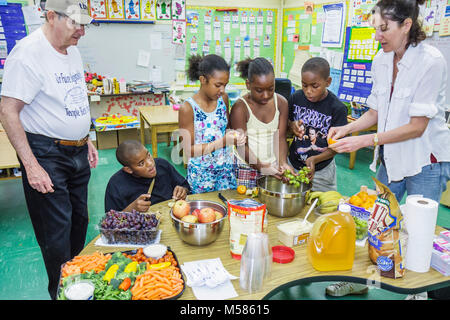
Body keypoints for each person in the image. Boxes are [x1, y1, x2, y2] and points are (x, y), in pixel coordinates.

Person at [327, 0, 450, 300]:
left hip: (426, 163)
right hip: (392, 157)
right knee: (377, 225)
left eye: (384, 28)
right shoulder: (381, 60)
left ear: (406, 25)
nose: (378, 36)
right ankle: (363, 280)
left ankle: (417, 294)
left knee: (418, 236)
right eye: (375, 29)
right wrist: (348, 128)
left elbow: (417, 127)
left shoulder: (431, 61)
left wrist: (366, 141)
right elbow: (376, 111)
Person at [0, 0, 98, 300]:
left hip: (77, 151)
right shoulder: (28, 53)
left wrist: (87, 137)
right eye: (74, 24)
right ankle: (62, 293)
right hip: (47, 154)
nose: (81, 31)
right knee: (56, 233)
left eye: (84, 24)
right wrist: (31, 165)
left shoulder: (73, 50)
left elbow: (74, 99)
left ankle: (77, 282)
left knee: (80, 219)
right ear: (51, 15)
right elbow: (8, 110)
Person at [178, 54, 246, 194]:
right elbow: (189, 150)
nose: (222, 90)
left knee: (227, 207)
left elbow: (226, 129)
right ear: (203, 80)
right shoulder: (188, 108)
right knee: (205, 212)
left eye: (225, 85)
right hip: (202, 176)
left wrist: (234, 136)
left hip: (225, 171)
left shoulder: (223, 99)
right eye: (218, 85)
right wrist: (223, 142)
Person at [230, 57, 292, 188]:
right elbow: (241, 146)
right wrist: (261, 166)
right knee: (246, 204)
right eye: (259, 90)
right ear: (248, 85)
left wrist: (282, 163)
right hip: (246, 167)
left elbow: (280, 137)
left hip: (273, 165)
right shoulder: (240, 108)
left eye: (270, 89)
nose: (266, 95)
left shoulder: (281, 103)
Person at [288, 57, 348, 191]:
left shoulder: (337, 108)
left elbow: (336, 147)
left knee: (322, 205)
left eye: (315, 86)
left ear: (328, 82)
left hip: (322, 170)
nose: (308, 91)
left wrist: (315, 159)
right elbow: (286, 124)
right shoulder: (295, 98)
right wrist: (291, 125)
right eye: (304, 85)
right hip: (293, 164)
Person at [104, 140, 190, 213]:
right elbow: (111, 221)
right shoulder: (116, 185)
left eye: (148, 155)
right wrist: (131, 209)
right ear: (129, 170)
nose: (150, 163)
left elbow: (185, 185)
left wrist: (183, 190)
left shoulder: (162, 165)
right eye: (141, 163)